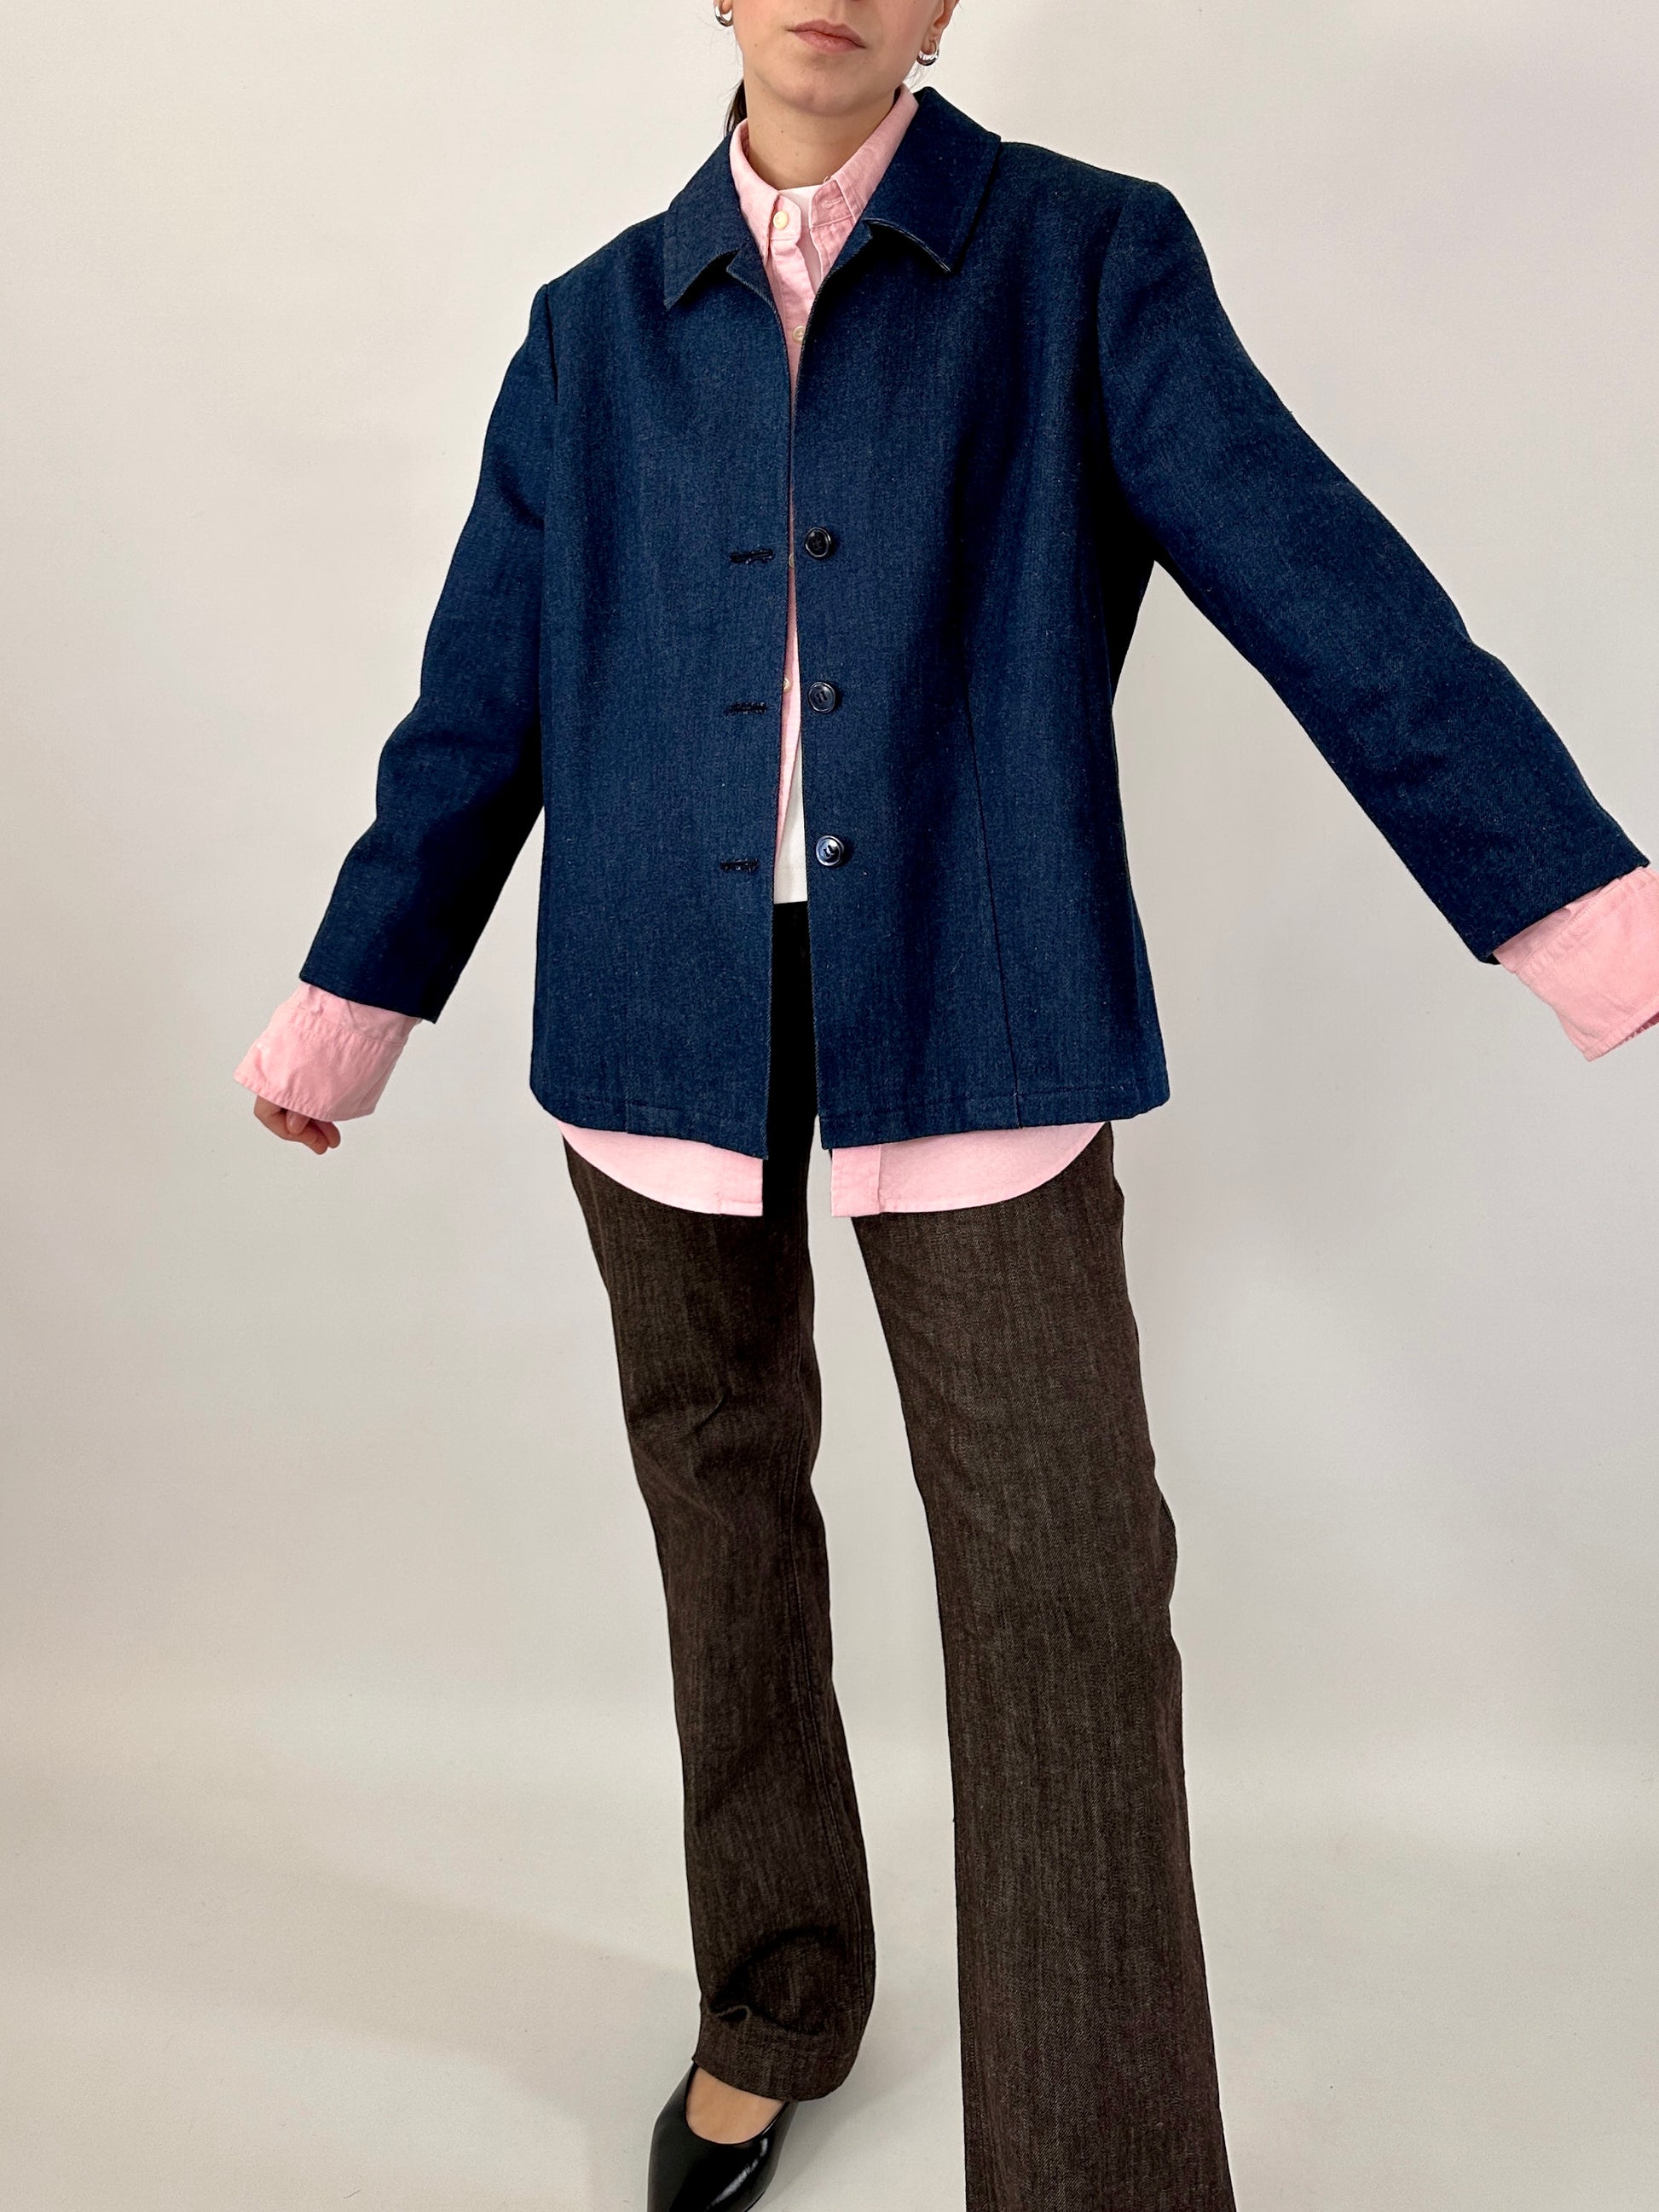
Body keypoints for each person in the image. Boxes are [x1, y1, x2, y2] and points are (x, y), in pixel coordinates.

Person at [235, 4, 1659, 2208]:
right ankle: (773, 1997)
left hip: (979, 993)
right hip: (651, 1004)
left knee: (1063, 1584)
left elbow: (1322, 580)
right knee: (723, 1508)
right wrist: (353, 1002)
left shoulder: (1085, 260)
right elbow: (479, 708)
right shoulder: (586, 335)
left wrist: (1577, 908)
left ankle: (1095, 2176)